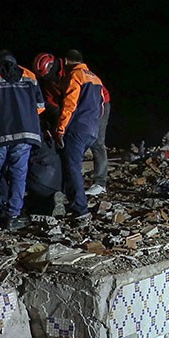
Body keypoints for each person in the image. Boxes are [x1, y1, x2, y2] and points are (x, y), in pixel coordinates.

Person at [0, 50, 45, 230]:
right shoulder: (29, 75)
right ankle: (12, 218)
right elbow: (40, 107)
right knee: (18, 175)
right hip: (25, 134)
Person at [54, 49, 111, 221]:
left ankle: (80, 209)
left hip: (78, 129)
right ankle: (70, 201)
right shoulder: (95, 77)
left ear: (65, 61)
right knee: (72, 165)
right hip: (92, 129)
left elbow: (69, 105)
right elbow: (101, 106)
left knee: (73, 167)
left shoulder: (75, 76)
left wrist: (60, 129)